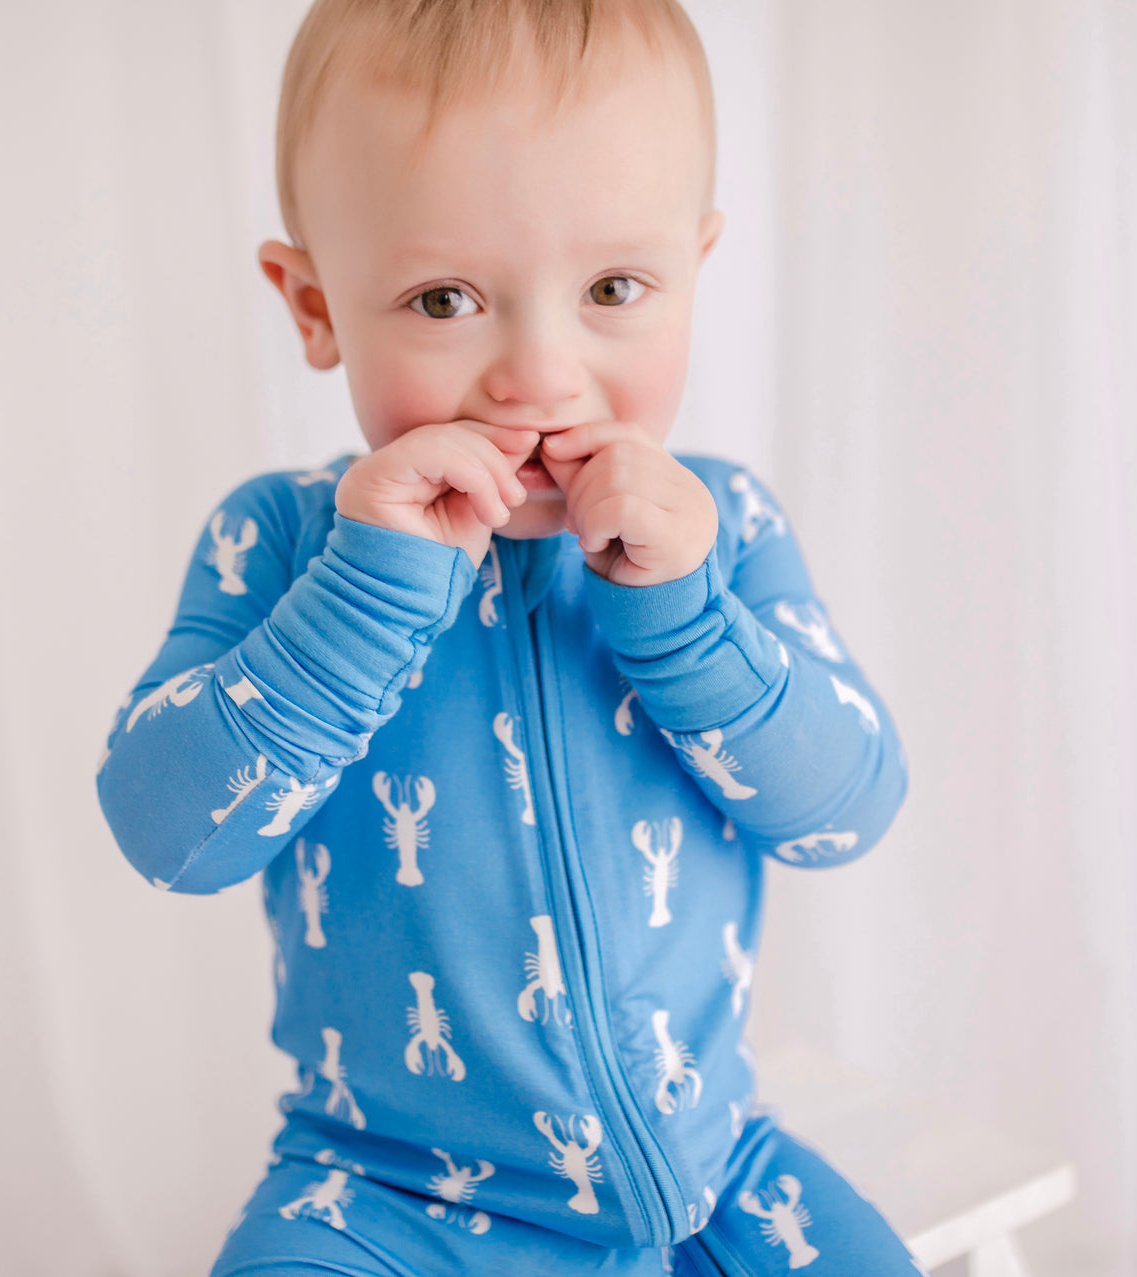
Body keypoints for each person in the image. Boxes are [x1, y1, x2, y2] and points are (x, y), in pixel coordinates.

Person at [96, 1, 915, 1272]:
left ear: (692, 272)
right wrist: (361, 593)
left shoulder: (724, 531)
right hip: (380, 1201)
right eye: (444, 297)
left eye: (611, 288)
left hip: (707, 1174)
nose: (538, 372)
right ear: (313, 305)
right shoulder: (274, 542)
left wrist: (687, 617)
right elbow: (166, 834)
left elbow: (842, 810)